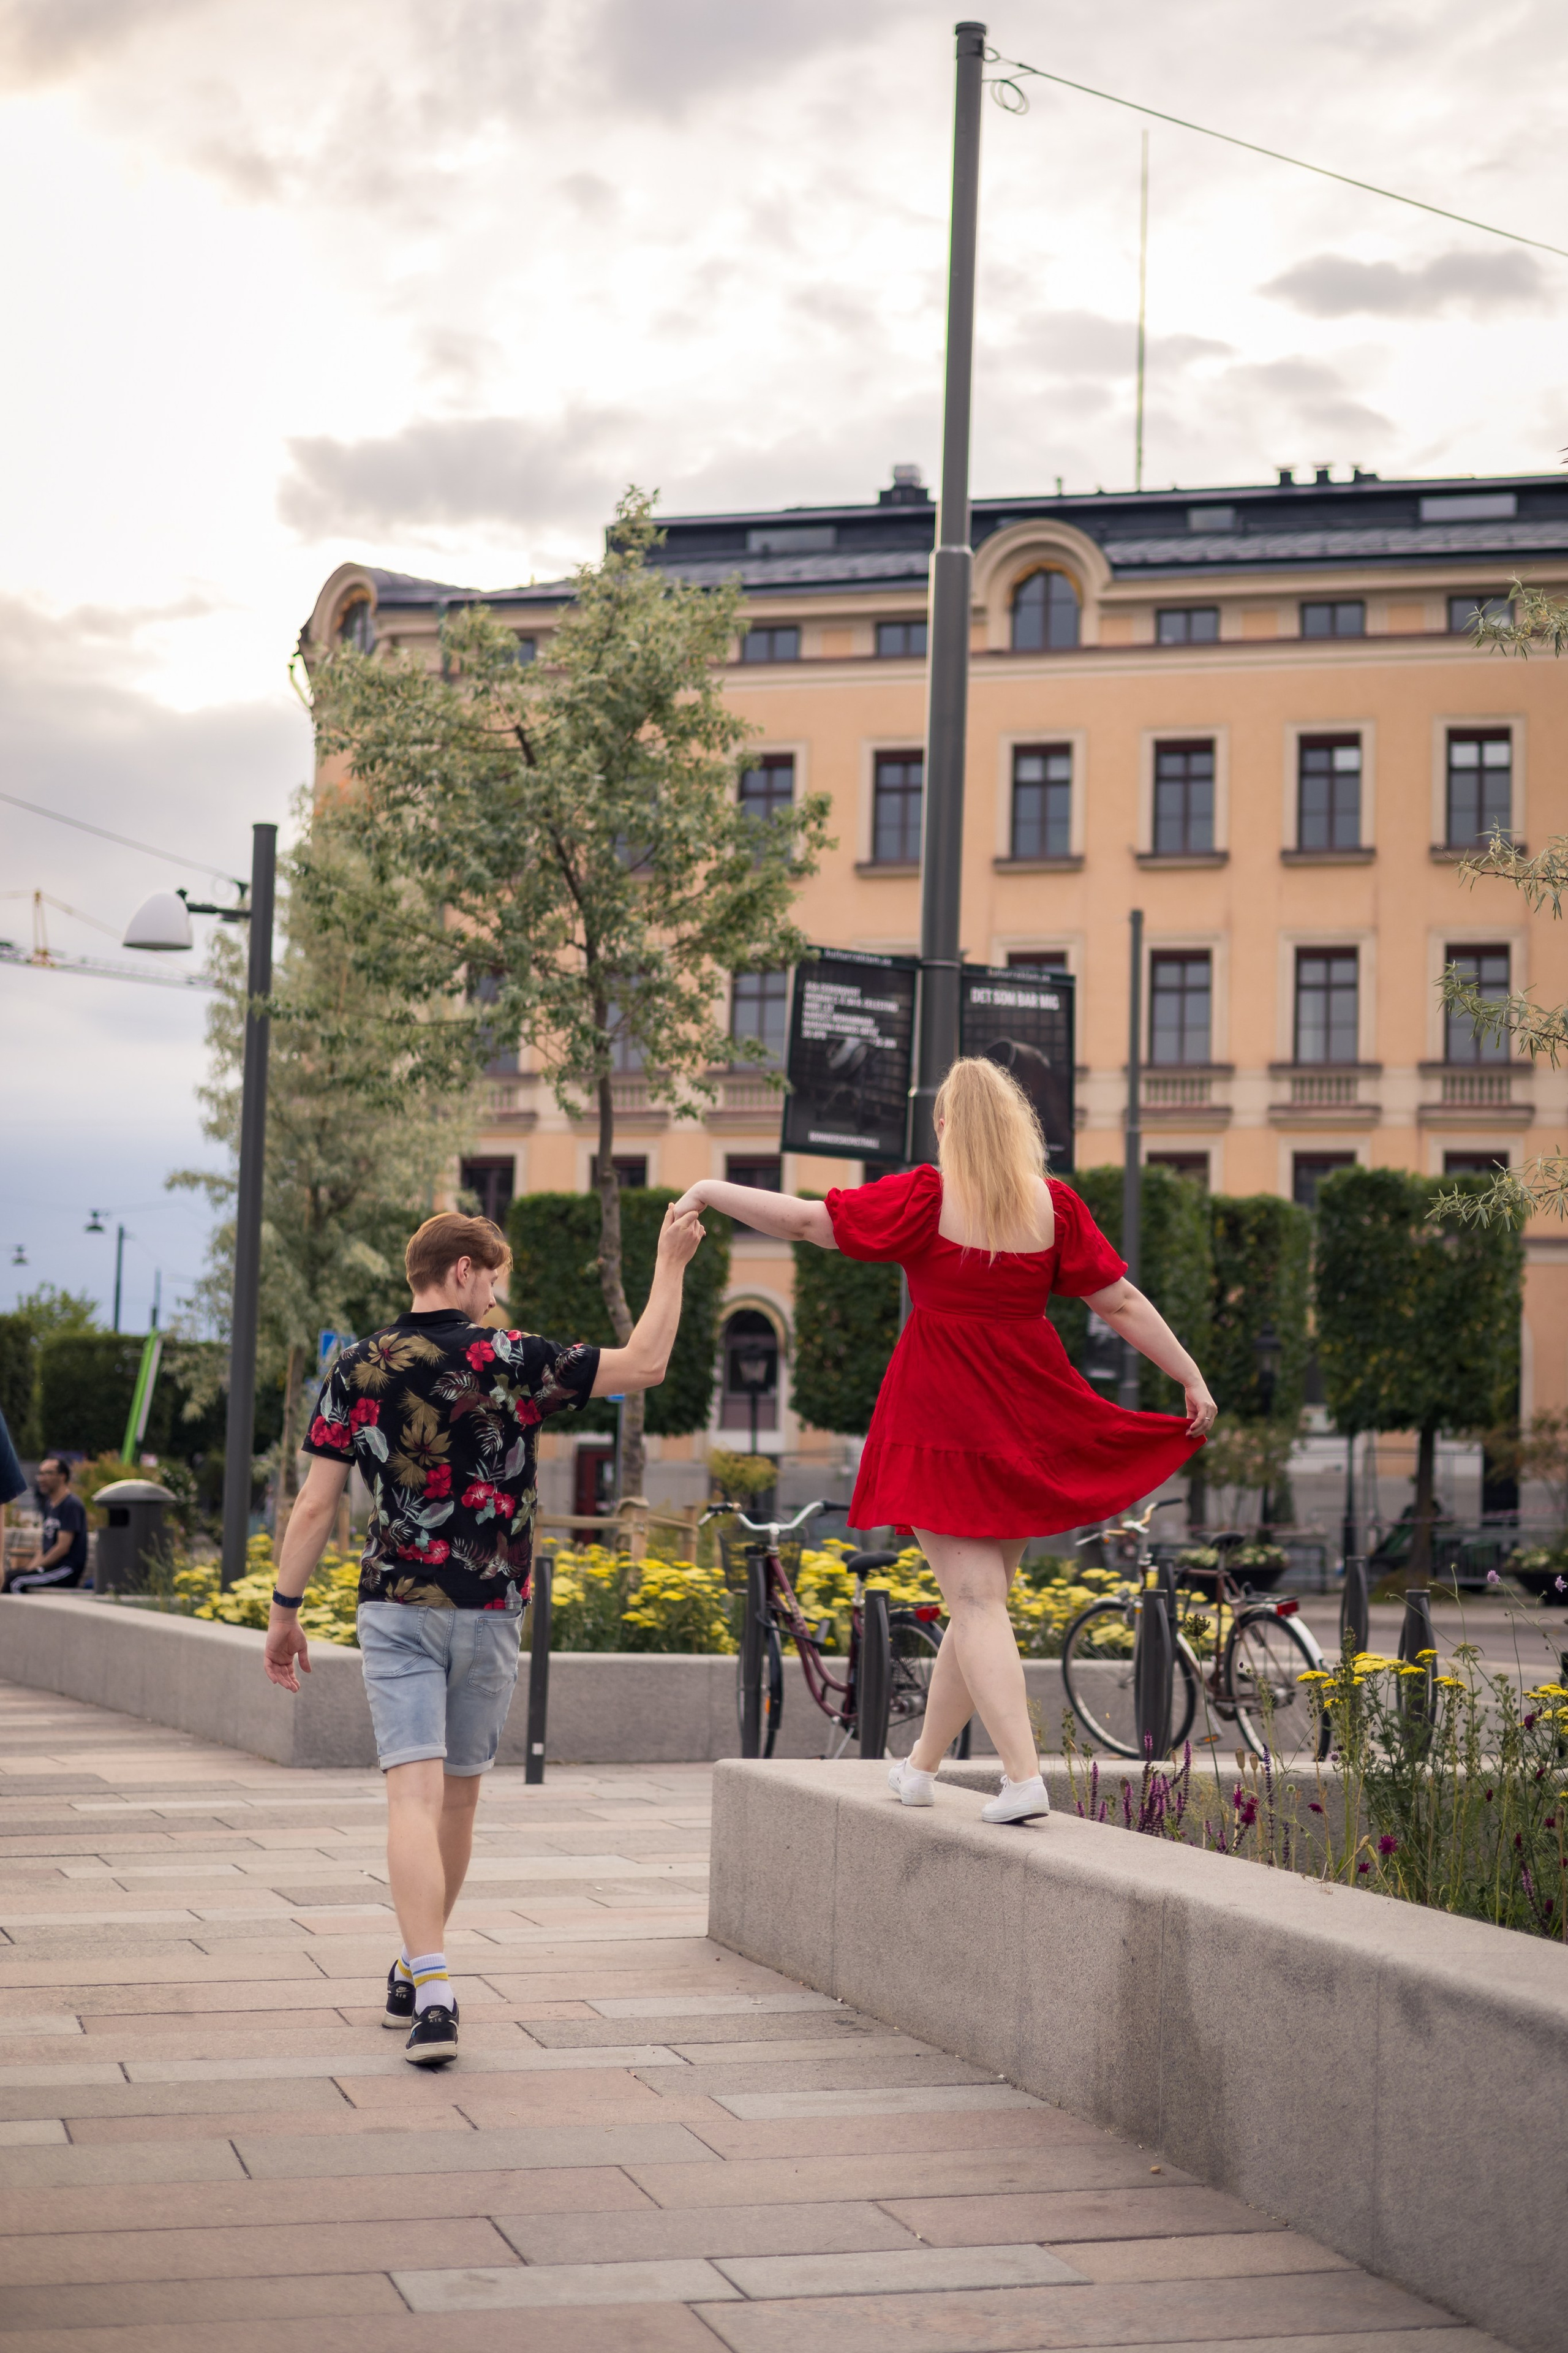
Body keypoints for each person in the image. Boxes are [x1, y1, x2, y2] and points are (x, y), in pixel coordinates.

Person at [674, 1057, 1216, 1825]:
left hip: (939, 1419)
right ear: (1016, 1125)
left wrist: (707, 1187)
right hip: (1024, 1418)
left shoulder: (928, 1197)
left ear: (944, 1126)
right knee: (976, 1606)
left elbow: (804, 1221)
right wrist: (1189, 1375)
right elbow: (1120, 1301)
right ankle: (921, 1766)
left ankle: (1022, 1778)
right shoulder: (1054, 1205)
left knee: (975, 1602)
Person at [262, 1203, 706, 2066]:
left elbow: (315, 1504)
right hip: (491, 1605)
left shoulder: (358, 1364)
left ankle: (423, 1977)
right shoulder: (512, 1357)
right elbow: (647, 1362)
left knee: (411, 1798)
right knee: (459, 1800)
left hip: (396, 1605)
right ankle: (427, 1977)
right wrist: (671, 1262)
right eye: (492, 1279)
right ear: (461, 1271)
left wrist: (285, 1612)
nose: (495, 1297)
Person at [3, 1455, 89, 1592]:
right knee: (7, 1578)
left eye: (48, 1473)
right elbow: (44, 1548)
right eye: (40, 1474)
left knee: (16, 1582)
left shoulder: (71, 1505)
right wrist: (29, 1569)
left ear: (62, 1476)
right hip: (50, 1568)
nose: (42, 1479)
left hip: (65, 1570)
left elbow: (62, 1548)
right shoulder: (49, 1505)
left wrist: (37, 1568)